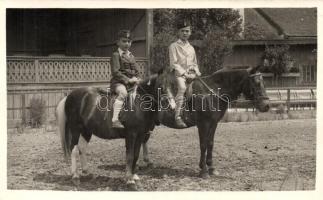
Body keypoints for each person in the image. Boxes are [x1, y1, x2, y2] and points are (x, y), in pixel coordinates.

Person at [168, 19, 201, 128]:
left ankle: (196, 114)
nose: (185, 33)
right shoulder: (173, 46)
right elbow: (174, 64)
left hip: (190, 74)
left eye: (187, 31)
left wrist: (196, 72)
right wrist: (185, 74)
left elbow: (194, 63)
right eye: (182, 31)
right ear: (178, 32)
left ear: (190, 32)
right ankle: (177, 116)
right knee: (182, 88)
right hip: (178, 75)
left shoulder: (191, 48)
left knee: (201, 87)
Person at [110, 30, 140, 128]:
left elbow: (137, 70)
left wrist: (137, 77)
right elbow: (116, 72)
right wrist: (128, 80)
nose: (127, 43)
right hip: (118, 83)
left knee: (143, 94)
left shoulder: (131, 55)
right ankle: (115, 120)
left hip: (132, 82)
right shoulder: (116, 55)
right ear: (118, 42)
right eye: (124, 41)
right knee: (123, 94)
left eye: (129, 41)